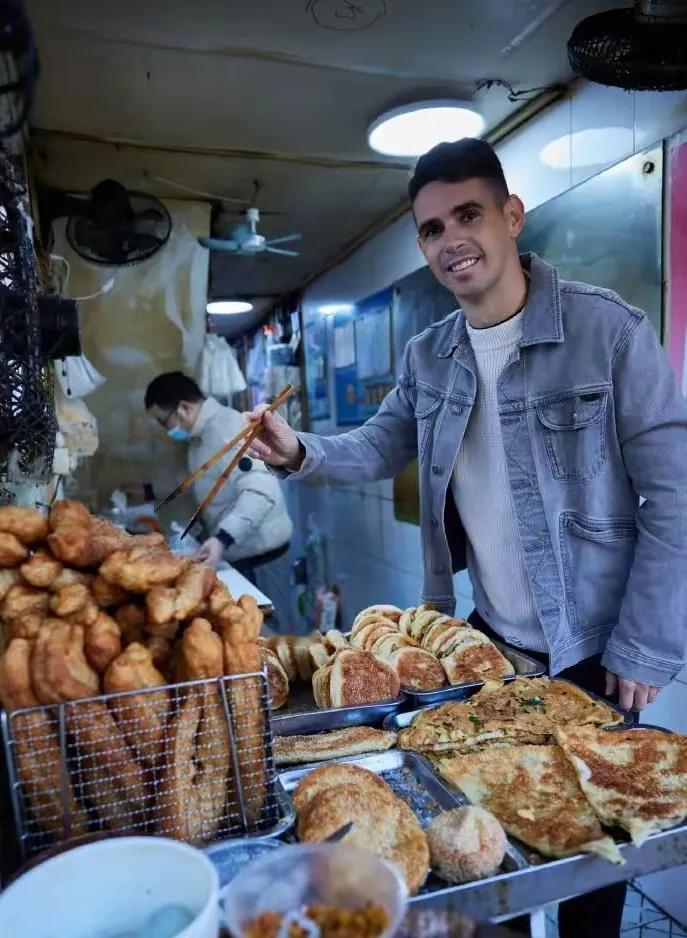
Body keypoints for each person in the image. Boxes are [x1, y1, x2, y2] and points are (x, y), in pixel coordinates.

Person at [247, 138, 687, 938]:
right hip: (492, 649)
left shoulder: (607, 330)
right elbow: (380, 445)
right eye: (430, 228)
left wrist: (645, 645)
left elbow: (676, 495)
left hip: (593, 649)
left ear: (511, 217)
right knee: (492, 849)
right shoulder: (429, 354)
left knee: (596, 859)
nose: (450, 239)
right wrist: (299, 450)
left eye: (468, 215)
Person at [143, 372, 292, 579]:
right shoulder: (200, 437)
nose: (164, 429)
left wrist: (222, 539)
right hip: (238, 548)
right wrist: (145, 491)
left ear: (183, 409)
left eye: (163, 421)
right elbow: (191, 478)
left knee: (259, 611)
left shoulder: (228, 429)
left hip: (261, 551)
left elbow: (261, 492)